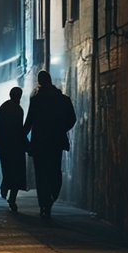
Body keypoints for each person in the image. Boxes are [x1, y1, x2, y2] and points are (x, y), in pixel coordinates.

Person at [23, 70, 76, 219]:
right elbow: (72, 119)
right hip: (55, 142)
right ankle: (52, 197)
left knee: (41, 175)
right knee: (54, 172)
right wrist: (61, 129)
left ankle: (44, 204)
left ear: (39, 82)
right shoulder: (63, 99)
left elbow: (28, 123)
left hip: (39, 143)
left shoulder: (36, 100)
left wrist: (22, 140)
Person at [0, 86, 28, 212]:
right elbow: (19, 129)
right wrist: (26, 144)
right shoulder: (18, 109)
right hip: (15, 145)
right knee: (16, 171)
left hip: (5, 144)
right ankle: (11, 197)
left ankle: (6, 188)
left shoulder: (5, 107)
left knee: (7, 169)